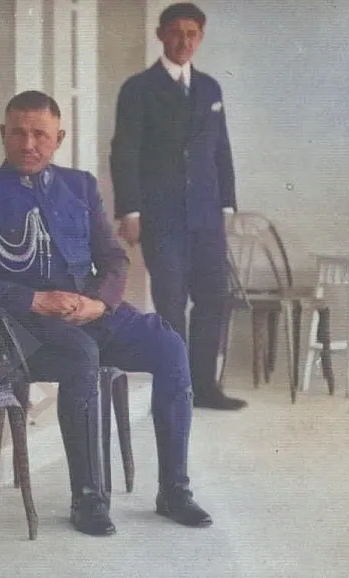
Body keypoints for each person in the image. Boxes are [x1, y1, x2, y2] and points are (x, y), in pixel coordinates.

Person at [0, 90, 213, 537]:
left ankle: (174, 491)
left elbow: (113, 258)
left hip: (88, 310)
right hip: (22, 329)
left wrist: (99, 302)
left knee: (168, 345)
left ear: (59, 138)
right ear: (2, 134)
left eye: (40, 134)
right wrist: (35, 300)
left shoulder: (80, 186)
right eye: (18, 133)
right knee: (80, 356)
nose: (28, 144)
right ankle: (88, 498)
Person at [110, 2, 247, 411]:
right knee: (170, 302)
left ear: (200, 38)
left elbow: (220, 150)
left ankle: (204, 387)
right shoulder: (138, 89)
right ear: (161, 35)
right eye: (175, 33)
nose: (184, 41)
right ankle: (176, 389)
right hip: (161, 216)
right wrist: (130, 211)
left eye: (192, 34)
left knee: (213, 298)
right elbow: (125, 153)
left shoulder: (210, 89)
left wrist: (227, 206)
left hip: (206, 215)